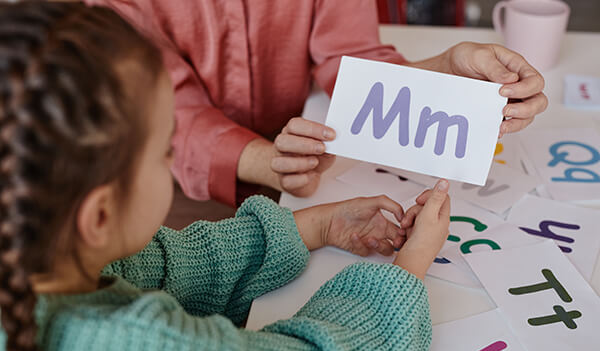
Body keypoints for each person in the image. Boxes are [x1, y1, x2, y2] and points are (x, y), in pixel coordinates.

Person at [0, 2, 452, 351]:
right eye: (164, 152)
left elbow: (164, 264)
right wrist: (409, 268)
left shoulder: (48, 261)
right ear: (99, 215)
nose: (172, 155)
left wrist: (313, 226)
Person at [81, 0, 548, 207]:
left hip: (309, 167)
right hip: (166, 189)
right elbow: (169, 113)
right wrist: (265, 162)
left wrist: (445, 68)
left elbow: (353, 61)